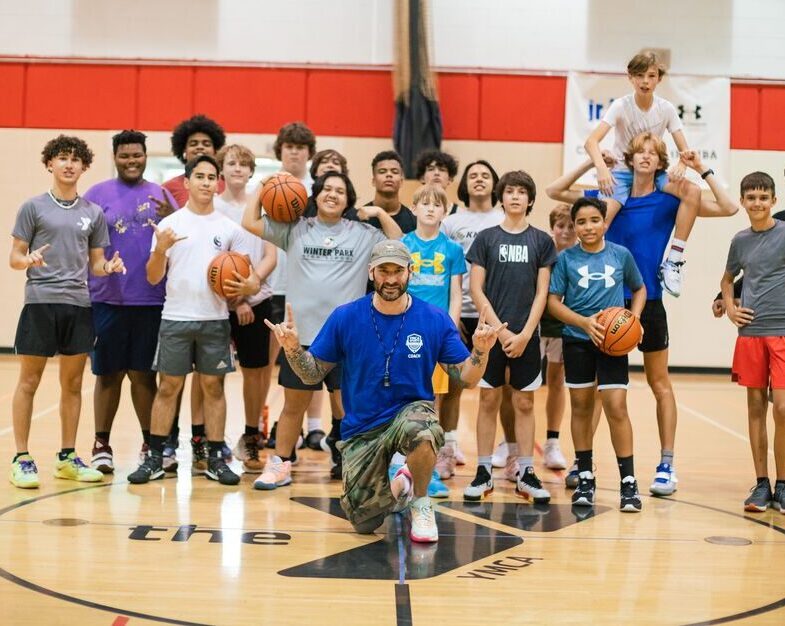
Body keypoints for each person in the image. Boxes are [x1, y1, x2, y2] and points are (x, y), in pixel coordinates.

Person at [265, 240, 503, 542]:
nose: (391, 278)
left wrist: (480, 352)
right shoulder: (345, 316)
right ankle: (403, 483)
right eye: (383, 271)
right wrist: (293, 349)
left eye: (398, 271)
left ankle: (420, 502)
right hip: (363, 427)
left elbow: (466, 378)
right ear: (371, 272)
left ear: (410, 272)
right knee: (365, 522)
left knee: (423, 430)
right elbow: (312, 374)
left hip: (409, 413)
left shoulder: (433, 318)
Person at [548, 133, 738, 496]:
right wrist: (594, 163)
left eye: (654, 153)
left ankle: (667, 463)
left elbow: (729, 207)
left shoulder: (671, 199)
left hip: (647, 302)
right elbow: (554, 191)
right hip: (601, 307)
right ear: (630, 159)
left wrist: (704, 169)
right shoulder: (607, 198)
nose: (647, 157)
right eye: (640, 152)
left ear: (661, 162)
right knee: (602, 391)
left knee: (660, 382)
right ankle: (582, 462)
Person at [243, 172, 403, 488]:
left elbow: (399, 243)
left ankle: (349, 459)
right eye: (327, 189)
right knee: (293, 406)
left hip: (349, 339)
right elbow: (250, 221)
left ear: (349, 199)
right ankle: (280, 464)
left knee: (348, 407)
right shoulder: (295, 229)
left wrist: (381, 214)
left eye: (340, 190)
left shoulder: (363, 233)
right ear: (316, 195)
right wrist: (265, 185)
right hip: (302, 339)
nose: (333, 194)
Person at [127, 155, 257, 486]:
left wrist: (246, 287)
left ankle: (215, 457)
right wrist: (160, 250)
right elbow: (153, 277)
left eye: (211, 177)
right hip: (176, 318)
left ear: (218, 183)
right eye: (199, 176)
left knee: (213, 387)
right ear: (186, 182)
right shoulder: (171, 226)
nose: (205, 182)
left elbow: (252, 279)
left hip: (214, 320)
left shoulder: (229, 229)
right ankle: (155, 457)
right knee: (169, 386)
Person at [9, 135, 126, 489]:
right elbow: (15, 257)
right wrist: (26, 260)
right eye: (62, 158)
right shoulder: (32, 207)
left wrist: (109, 267)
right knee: (29, 382)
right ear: (49, 164)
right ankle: (22, 458)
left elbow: (96, 264)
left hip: (78, 304)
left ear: (84, 167)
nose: (69, 164)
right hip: (40, 302)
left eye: (76, 159)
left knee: (72, 384)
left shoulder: (92, 214)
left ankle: (67, 457)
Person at [84, 130, 177, 474]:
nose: (131, 161)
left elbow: (178, 242)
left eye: (137, 155)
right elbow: (84, 244)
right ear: (115, 157)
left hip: (151, 300)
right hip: (107, 299)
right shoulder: (96, 195)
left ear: (145, 156)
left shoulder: (161, 195)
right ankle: (101, 444)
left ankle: (149, 445)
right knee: (107, 374)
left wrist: (170, 216)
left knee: (143, 375)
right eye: (125, 156)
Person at [547, 196, 646, 512]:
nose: (588, 227)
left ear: (605, 223)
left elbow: (639, 289)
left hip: (612, 344)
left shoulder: (621, 255)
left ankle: (628, 482)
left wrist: (635, 319)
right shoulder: (566, 260)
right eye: (581, 222)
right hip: (577, 340)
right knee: (580, 406)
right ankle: (586, 475)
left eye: (594, 220)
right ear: (574, 226)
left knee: (616, 407)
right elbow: (553, 301)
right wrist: (583, 323)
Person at [464, 170, 557, 503]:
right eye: (510, 191)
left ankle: (527, 472)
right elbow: (476, 289)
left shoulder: (542, 241)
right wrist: (501, 332)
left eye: (522, 192)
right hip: (491, 336)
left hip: (527, 336)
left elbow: (542, 293)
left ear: (530, 200)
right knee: (488, 399)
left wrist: (525, 334)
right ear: (501, 198)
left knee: (525, 401)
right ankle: (484, 470)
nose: (515, 196)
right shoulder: (486, 238)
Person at [584, 51, 701, 297]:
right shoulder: (620, 106)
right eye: (639, 76)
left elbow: (686, 149)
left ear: (659, 79)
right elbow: (591, 142)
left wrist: (682, 163)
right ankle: (590, 274)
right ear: (630, 78)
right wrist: (602, 169)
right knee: (602, 221)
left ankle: (673, 261)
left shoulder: (666, 109)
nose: (645, 81)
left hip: (653, 171)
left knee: (693, 190)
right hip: (622, 172)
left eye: (651, 76)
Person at [440, 160, 516, 473]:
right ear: (465, 185)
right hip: (460, 314)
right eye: (473, 175)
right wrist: (449, 315)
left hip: (496, 316)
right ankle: (447, 447)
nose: (479, 179)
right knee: (453, 386)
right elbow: (443, 269)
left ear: (495, 183)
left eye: (486, 175)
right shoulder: (451, 221)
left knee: (503, 388)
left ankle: (512, 452)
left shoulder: (504, 218)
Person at [391, 183, 466, 497]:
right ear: (414, 209)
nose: (431, 208)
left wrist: (449, 330)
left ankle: (427, 469)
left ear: (445, 212)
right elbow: (394, 288)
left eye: (438, 204)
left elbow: (456, 294)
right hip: (404, 329)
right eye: (425, 203)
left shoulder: (452, 249)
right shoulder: (402, 245)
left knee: (431, 404)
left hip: (435, 334)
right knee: (401, 398)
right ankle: (397, 462)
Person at [720, 171, 785, 513]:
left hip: (782, 332)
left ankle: (783, 484)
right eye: (751, 198)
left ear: (774, 201)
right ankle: (762, 484)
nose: (757, 203)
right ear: (743, 202)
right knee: (756, 408)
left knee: (783, 408)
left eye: (764, 197)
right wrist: (730, 306)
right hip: (750, 333)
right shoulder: (740, 240)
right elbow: (728, 278)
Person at [213, 145, 277, 474]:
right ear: (221, 170)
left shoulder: (262, 205)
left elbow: (270, 256)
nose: (238, 168)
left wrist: (250, 288)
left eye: (244, 164)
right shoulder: (212, 205)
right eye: (232, 163)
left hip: (257, 299)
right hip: (218, 303)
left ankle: (251, 436)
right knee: (210, 374)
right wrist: (234, 299)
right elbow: (211, 259)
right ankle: (209, 442)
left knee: (256, 372)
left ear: (251, 171)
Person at [538, 204, 576, 472]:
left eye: (570, 226)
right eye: (560, 226)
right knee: (520, 385)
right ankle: (510, 442)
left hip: (563, 327)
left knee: (556, 383)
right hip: (536, 325)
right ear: (552, 227)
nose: (565, 231)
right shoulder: (543, 253)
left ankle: (552, 442)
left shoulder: (578, 257)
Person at [162, 114, 226, 207]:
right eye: (193, 144)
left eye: (206, 144)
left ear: (215, 151)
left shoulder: (227, 185)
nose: (200, 147)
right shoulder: (168, 188)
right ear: (184, 150)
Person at [344, 150, 416, 233]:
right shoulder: (357, 218)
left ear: (401, 181)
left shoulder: (414, 221)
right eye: (382, 171)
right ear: (373, 181)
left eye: (394, 172)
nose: (389, 175)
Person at [303, 149, 350, 218]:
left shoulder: (349, 209)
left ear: (342, 173)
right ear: (315, 171)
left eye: (336, 163)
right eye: (324, 162)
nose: (330, 165)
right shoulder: (303, 206)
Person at [415, 149, 460, 214]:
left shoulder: (460, 214)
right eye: (431, 169)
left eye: (442, 169)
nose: (436, 173)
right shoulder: (412, 213)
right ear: (422, 178)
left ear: (450, 179)